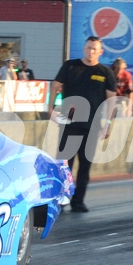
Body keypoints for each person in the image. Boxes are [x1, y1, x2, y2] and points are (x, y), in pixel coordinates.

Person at [52, 36, 117, 212]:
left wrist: (108, 123)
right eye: (88, 48)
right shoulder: (70, 66)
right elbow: (56, 86)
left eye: (94, 49)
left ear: (100, 52)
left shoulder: (105, 72)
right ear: (83, 48)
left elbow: (111, 100)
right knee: (64, 164)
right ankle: (61, 199)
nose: (91, 51)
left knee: (85, 166)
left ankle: (78, 201)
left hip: (92, 125)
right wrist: (51, 110)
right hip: (69, 123)